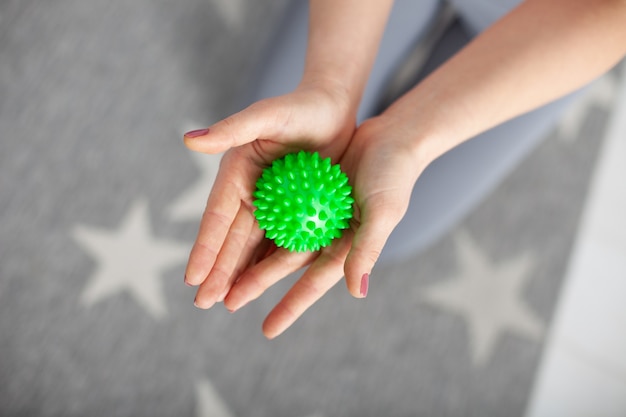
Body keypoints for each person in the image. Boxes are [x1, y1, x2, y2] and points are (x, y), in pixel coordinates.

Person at [181, 0, 626, 339]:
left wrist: (410, 137)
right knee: (274, 114)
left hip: (561, 22)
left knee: (388, 227)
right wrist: (331, 84)